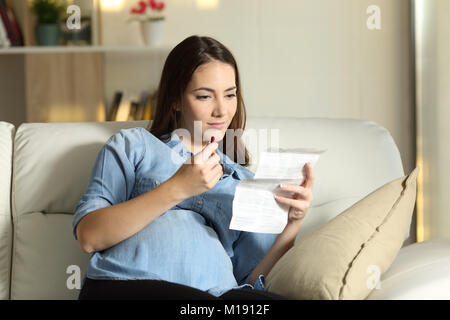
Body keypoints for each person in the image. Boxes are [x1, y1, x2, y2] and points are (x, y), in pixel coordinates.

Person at [73, 35, 314, 300]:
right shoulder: (134, 146)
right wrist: (177, 188)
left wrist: (293, 224)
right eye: (204, 96)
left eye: (230, 95)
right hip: (127, 285)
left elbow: (252, 280)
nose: (222, 110)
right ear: (176, 100)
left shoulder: (244, 180)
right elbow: (90, 236)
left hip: (218, 296)